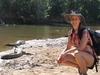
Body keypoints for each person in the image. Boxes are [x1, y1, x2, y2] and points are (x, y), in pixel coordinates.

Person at [57, 10, 95, 75]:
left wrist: (65, 53)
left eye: (76, 19)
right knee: (61, 60)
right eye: (72, 19)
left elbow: (81, 48)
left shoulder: (84, 32)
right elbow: (68, 47)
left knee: (77, 54)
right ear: (70, 21)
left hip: (90, 59)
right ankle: (80, 67)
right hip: (79, 57)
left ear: (79, 20)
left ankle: (84, 73)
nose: (74, 21)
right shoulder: (71, 33)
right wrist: (61, 55)